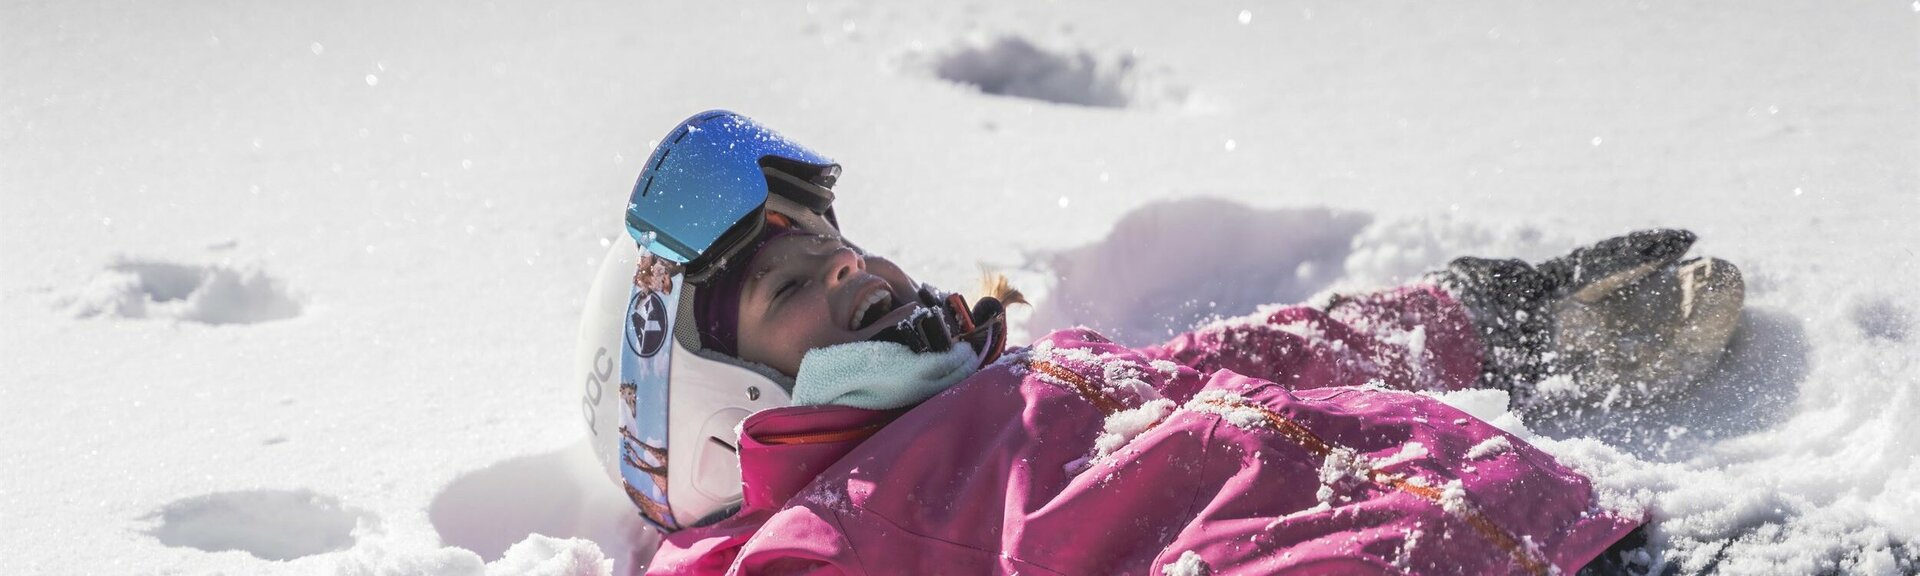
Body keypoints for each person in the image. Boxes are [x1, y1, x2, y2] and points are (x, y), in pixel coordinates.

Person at [571, 111, 1744, 575]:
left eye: (837, 241)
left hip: (1580, 537)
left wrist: (1498, 315)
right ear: (715, 407)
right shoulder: (824, 532)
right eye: (786, 283)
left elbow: (1282, 357)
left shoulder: (1037, 377)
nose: (848, 262)